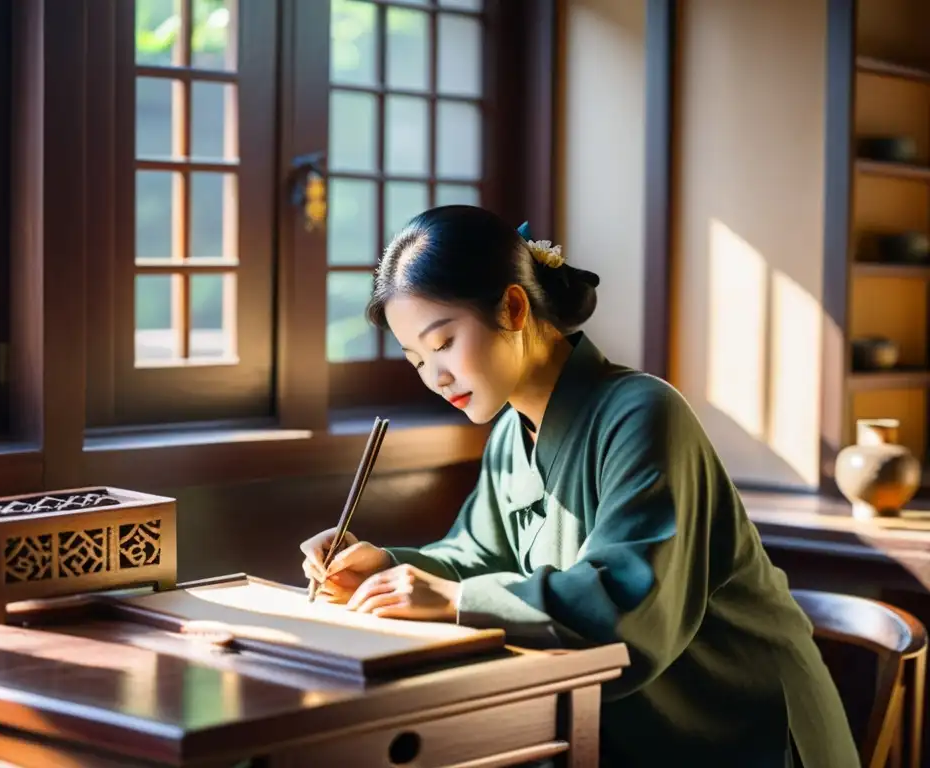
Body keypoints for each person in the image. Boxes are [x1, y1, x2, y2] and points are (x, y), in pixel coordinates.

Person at [300, 205, 858, 767]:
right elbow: (474, 556)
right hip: (623, 729)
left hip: (736, 726)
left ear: (513, 307)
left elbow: (627, 604)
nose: (435, 378)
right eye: (417, 360)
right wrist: (386, 568)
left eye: (443, 343)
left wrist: (456, 602)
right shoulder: (509, 435)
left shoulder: (643, 413)